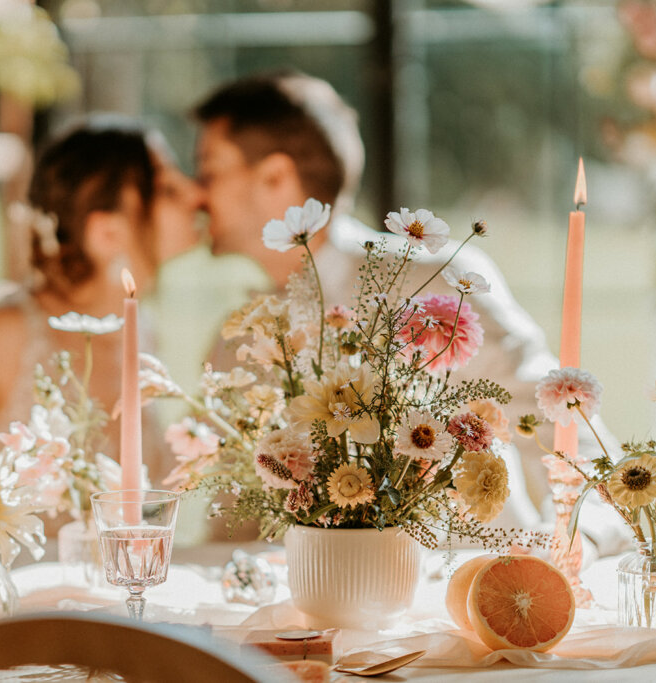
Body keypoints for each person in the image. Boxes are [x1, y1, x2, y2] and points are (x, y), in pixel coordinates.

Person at [191, 70, 629, 555]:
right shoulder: (233, 348)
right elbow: (234, 540)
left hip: (477, 603)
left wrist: (574, 542)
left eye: (208, 170)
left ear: (275, 176)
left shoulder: (436, 283)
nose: (196, 194)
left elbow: (578, 450)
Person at [0, 115, 202, 483]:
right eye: (166, 189)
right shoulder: (7, 337)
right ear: (107, 232)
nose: (196, 194)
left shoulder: (142, 329)